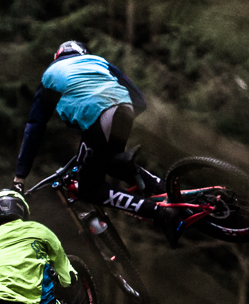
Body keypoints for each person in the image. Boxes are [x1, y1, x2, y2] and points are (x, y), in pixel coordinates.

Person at [13, 41, 151, 217]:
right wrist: (119, 117)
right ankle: (166, 192)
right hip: (125, 109)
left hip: (100, 117)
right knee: (112, 164)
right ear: (84, 54)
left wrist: (20, 177)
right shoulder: (98, 61)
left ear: (57, 57)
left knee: (89, 189)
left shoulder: (51, 74)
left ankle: (158, 211)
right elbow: (140, 101)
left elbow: (35, 126)